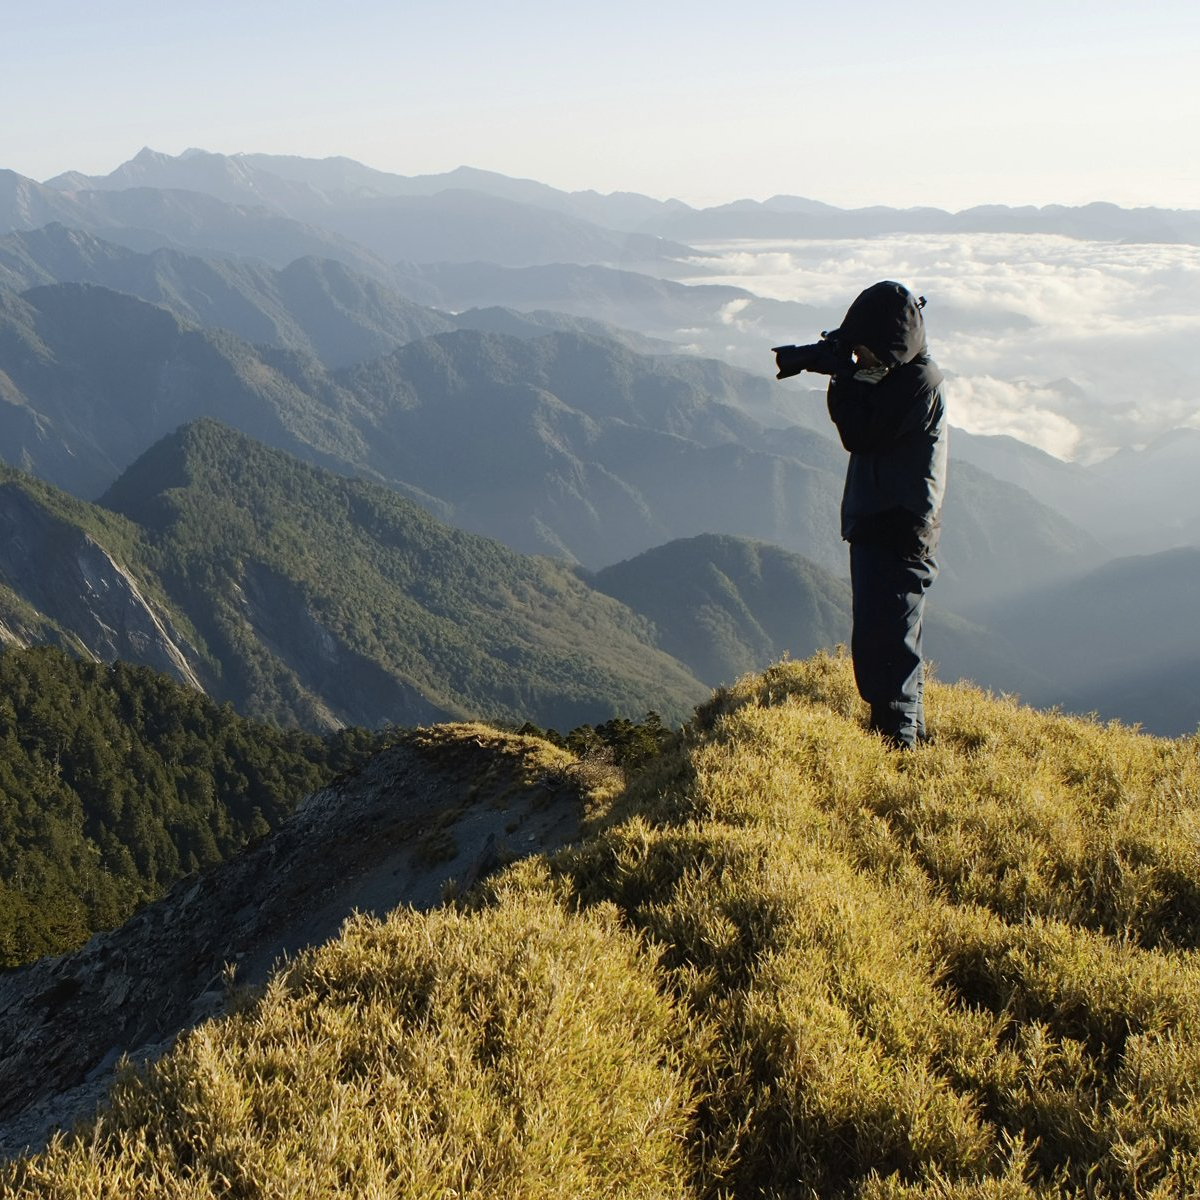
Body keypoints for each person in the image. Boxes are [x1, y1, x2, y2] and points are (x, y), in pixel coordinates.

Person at [776, 281, 947, 748]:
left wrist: (840, 378)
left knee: (889, 649)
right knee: (885, 642)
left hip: (898, 529)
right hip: (886, 523)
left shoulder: (917, 382)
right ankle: (904, 739)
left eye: (869, 353)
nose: (864, 360)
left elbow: (858, 431)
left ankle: (900, 752)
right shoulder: (902, 375)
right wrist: (848, 369)